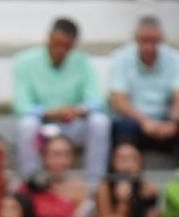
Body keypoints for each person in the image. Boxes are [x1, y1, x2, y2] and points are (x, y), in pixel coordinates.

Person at [12, 19, 107, 180]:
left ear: (74, 44)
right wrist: (51, 113)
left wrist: (77, 110)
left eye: (67, 46)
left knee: (100, 122)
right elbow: (21, 105)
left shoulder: (83, 62)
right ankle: (32, 181)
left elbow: (96, 101)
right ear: (48, 38)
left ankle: (94, 183)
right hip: (43, 124)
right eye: (57, 44)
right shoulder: (25, 61)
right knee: (26, 124)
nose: (61, 50)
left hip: (72, 123)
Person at [106, 16, 179, 164]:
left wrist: (172, 122)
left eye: (154, 41)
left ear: (162, 40)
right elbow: (119, 100)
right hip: (135, 121)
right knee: (123, 127)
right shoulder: (120, 58)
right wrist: (144, 121)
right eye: (144, 41)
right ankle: (124, 181)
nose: (149, 46)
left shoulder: (176, 59)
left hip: (165, 121)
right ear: (136, 39)